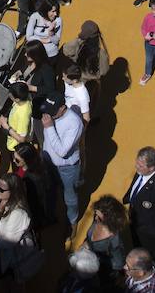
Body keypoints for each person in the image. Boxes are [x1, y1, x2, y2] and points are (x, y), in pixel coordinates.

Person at [40, 93, 85, 226]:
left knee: (70, 198)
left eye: (53, 111)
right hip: (49, 164)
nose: (49, 114)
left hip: (67, 168)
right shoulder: (50, 115)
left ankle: (72, 222)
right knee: (49, 191)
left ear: (63, 108)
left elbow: (62, 151)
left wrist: (49, 127)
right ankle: (50, 217)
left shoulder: (75, 123)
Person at [124, 147, 155, 261]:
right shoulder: (142, 171)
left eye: (140, 166)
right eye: (137, 163)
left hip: (147, 232)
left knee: (150, 255)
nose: (136, 167)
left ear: (152, 168)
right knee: (136, 246)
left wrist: (152, 236)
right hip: (136, 220)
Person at [80, 195, 128, 273]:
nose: (95, 218)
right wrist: (86, 243)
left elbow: (118, 264)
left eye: (98, 217)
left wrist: (95, 257)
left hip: (101, 272)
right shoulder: (98, 221)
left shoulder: (114, 240)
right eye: (95, 214)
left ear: (109, 219)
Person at [61, 20, 110, 94]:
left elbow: (66, 50)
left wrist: (79, 39)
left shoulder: (78, 48)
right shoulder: (102, 54)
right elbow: (104, 72)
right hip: (91, 86)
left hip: (75, 82)